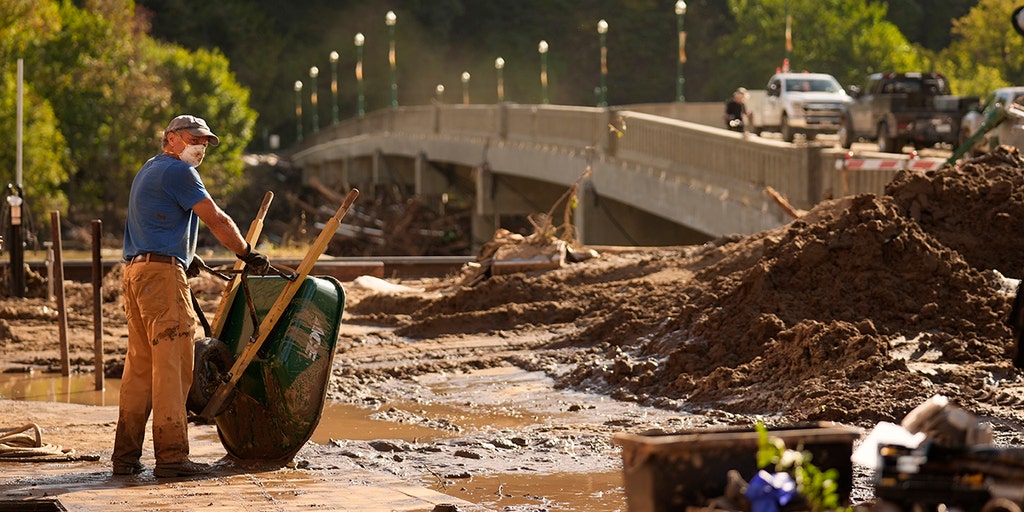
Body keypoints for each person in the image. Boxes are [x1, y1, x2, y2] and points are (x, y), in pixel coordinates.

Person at [113, 114, 271, 478]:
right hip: (161, 279)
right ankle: (171, 458)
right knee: (173, 366)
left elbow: (155, 220)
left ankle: (125, 457)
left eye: (204, 142)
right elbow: (215, 218)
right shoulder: (180, 173)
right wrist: (247, 253)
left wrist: (185, 255)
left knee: (140, 370)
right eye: (193, 138)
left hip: (136, 274)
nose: (200, 147)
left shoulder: (149, 170)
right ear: (170, 138)